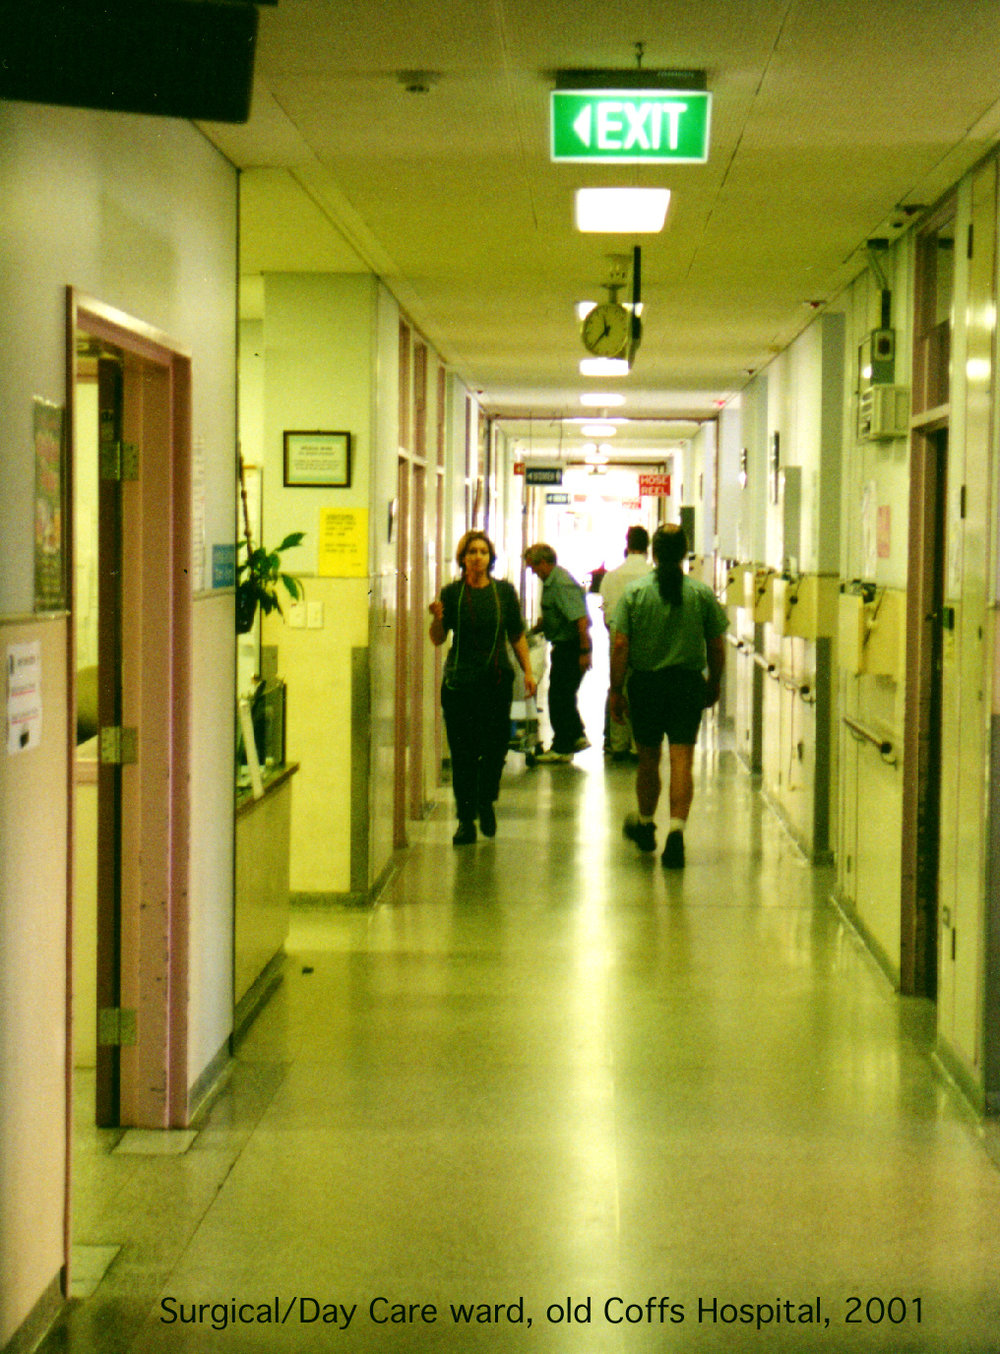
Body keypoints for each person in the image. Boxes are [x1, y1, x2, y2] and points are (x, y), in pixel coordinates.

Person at [610, 524, 728, 868]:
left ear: (654, 553)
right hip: (686, 685)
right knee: (681, 760)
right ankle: (676, 835)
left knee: (648, 760)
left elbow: (620, 645)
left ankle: (646, 826)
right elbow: (716, 645)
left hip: (646, 686)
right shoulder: (701, 594)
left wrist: (616, 690)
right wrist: (713, 682)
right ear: (684, 554)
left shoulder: (635, 593)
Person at [429, 530, 536, 846]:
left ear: (490, 558)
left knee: (494, 749)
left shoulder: (503, 593)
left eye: (483, 552)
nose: (478, 557)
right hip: (460, 685)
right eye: (472, 552)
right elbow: (437, 638)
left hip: (497, 682)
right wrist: (437, 619)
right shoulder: (452, 594)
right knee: (462, 754)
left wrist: (528, 672)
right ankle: (465, 821)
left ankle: (486, 800)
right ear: (463, 558)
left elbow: (516, 634)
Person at [523, 543, 592, 763]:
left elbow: (581, 620)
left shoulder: (560, 584)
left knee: (559, 696)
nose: (533, 571)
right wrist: (535, 629)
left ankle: (563, 745)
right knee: (563, 694)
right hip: (565, 646)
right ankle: (576, 737)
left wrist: (584, 651)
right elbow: (559, 614)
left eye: (533, 566)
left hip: (571, 648)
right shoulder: (552, 583)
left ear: (544, 563)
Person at [598, 525, 651, 759]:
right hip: (649, 641)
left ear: (627, 545)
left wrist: (616, 633)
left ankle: (618, 744)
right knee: (642, 690)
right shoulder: (653, 576)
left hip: (618, 637)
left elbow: (607, 615)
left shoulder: (611, 577)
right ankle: (638, 745)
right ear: (648, 547)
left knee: (619, 687)